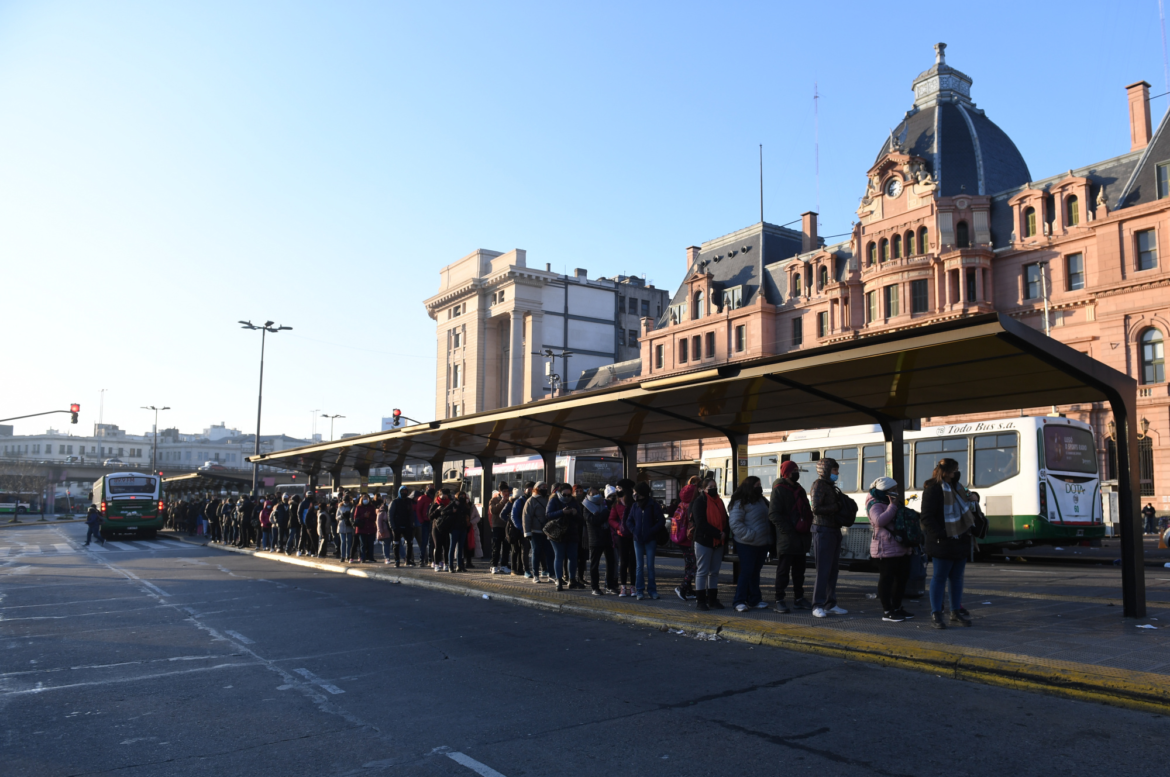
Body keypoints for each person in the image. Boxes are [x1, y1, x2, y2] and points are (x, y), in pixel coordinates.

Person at [921, 458, 974, 629]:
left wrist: (974, 497)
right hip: (942, 541)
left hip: (960, 539)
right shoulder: (933, 490)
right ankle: (936, 613)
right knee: (939, 577)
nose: (957, 473)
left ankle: (955, 611)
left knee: (957, 578)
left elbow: (968, 499)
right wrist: (942, 534)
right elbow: (926, 517)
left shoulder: (957, 488)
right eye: (954, 470)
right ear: (946, 472)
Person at [867, 476, 913, 623]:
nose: (896, 492)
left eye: (896, 489)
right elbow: (879, 521)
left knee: (901, 579)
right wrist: (892, 505)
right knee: (887, 579)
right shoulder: (875, 504)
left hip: (899, 547)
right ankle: (887, 611)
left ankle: (897, 607)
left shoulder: (890, 502)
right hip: (884, 549)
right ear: (884, 491)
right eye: (892, 490)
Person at [769, 461, 813, 613]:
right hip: (787, 539)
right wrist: (787, 530)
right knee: (783, 571)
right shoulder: (778, 489)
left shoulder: (799, 489)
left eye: (797, 469)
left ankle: (799, 598)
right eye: (794, 470)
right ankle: (779, 599)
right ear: (786, 473)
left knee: (799, 572)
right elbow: (773, 514)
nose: (797, 472)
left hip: (801, 538)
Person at [810, 457, 848, 619]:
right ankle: (817, 605)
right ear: (825, 470)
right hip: (823, 530)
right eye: (834, 470)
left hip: (833, 529)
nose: (837, 473)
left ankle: (830, 603)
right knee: (823, 570)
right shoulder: (818, 485)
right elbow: (816, 508)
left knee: (833, 569)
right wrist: (837, 506)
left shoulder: (830, 486)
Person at [728, 476, 771, 613]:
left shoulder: (761, 500)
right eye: (756, 484)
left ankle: (754, 599)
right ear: (749, 486)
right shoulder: (740, 502)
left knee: (755, 572)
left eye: (760, 484)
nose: (759, 487)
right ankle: (739, 601)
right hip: (747, 543)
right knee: (746, 572)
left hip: (762, 543)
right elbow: (735, 523)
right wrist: (750, 535)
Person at [691, 476, 728, 610]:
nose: (713, 489)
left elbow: (725, 519)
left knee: (714, 572)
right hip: (704, 541)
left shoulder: (719, 502)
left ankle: (712, 600)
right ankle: (700, 601)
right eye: (710, 487)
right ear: (704, 489)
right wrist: (718, 533)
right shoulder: (699, 502)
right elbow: (700, 523)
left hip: (718, 542)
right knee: (702, 571)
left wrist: (724, 532)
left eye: (714, 486)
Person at [624, 481, 665, 600]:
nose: (634, 495)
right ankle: (640, 590)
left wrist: (651, 531)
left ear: (641, 493)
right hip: (637, 539)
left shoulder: (653, 505)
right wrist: (634, 531)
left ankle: (652, 590)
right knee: (639, 566)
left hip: (650, 539)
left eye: (635, 492)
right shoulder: (635, 505)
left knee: (650, 566)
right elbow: (629, 521)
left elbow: (661, 521)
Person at [546, 483, 584, 591]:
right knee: (559, 556)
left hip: (571, 532)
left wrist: (575, 513)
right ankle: (559, 580)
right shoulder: (554, 500)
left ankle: (572, 579)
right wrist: (562, 512)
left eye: (569, 495)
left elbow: (580, 519)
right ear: (559, 493)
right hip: (557, 533)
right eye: (564, 494)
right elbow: (548, 514)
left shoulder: (574, 501)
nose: (567, 497)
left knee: (573, 557)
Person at [671, 477, 700, 601]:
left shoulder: (681, 504)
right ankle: (683, 587)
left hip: (681, 539)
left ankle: (689, 590)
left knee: (689, 564)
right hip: (689, 540)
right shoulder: (692, 506)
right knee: (693, 565)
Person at [583, 487, 616, 595]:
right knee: (594, 564)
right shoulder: (586, 506)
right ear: (588, 495)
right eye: (593, 493)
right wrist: (606, 513)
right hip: (595, 538)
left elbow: (614, 509)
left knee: (611, 562)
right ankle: (595, 587)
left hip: (607, 537)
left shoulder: (605, 502)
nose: (596, 495)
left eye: (597, 493)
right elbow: (594, 520)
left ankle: (610, 585)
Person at [610, 479, 636, 596]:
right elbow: (611, 519)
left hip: (634, 535)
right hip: (622, 535)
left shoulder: (634, 503)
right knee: (624, 561)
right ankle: (623, 587)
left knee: (633, 562)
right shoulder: (617, 503)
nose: (617, 490)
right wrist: (618, 527)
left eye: (619, 488)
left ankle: (633, 586)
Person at [522, 481, 552, 582]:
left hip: (547, 531)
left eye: (546, 487)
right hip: (535, 531)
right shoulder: (531, 501)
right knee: (536, 552)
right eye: (542, 487)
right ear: (537, 488)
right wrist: (527, 532)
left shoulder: (548, 499)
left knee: (549, 553)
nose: (545, 489)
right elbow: (526, 517)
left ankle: (550, 574)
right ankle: (536, 575)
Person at [488, 482, 513, 574]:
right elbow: (493, 510)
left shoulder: (510, 500)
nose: (506, 493)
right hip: (497, 526)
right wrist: (502, 501)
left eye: (507, 491)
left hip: (506, 526)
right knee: (496, 546)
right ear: (500, 491)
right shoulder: (494, 500)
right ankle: (494, 565)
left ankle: (504, 565)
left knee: (506, 547)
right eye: (504, 491)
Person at [389, 487, 416, 566]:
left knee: (409, 543)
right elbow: (390, 515)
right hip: (397, 526)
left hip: (407, 526)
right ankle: (397, 560)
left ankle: (408, 560)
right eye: (402, 491)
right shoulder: (395, 502)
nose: (404, 493)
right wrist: (393, 527)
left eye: (405, 491)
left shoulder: (408, 501)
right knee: (396, 543)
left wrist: (411, 525)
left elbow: (411, 514)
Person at [353, 493, 377, 563]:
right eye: (364, 499)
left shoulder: (372, 507)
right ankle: (362, 557)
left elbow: (375, 517)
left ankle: (371, 557)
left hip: (370, 528)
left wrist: (369, 516)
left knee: (370, 544)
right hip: (361, 528)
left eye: (366, 498)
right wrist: (364, 516)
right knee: (362, 544)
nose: (365, 500)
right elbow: (356, 518)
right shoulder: (358, 507)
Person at [416, 487, 435, 567]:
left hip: (429, 521)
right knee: (426, 542)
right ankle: (424, 560)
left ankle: (427, 560)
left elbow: (418, 510)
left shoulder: (423, 498)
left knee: (429, 542)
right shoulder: (424, 498)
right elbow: (418, 510)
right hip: (426, 522)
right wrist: (422, 521)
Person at [336, 497, 355, 563]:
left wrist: (349, 516)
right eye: (345, 501)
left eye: (347, 501)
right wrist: (342, 516)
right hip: (341, 526)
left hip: (349, 526)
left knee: (349, 542)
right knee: (343, 541)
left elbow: (353, 515)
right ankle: (342, 556)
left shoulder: (351, 507)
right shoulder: (340, 507)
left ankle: (348, 555)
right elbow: (337, 517)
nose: (346, 502)